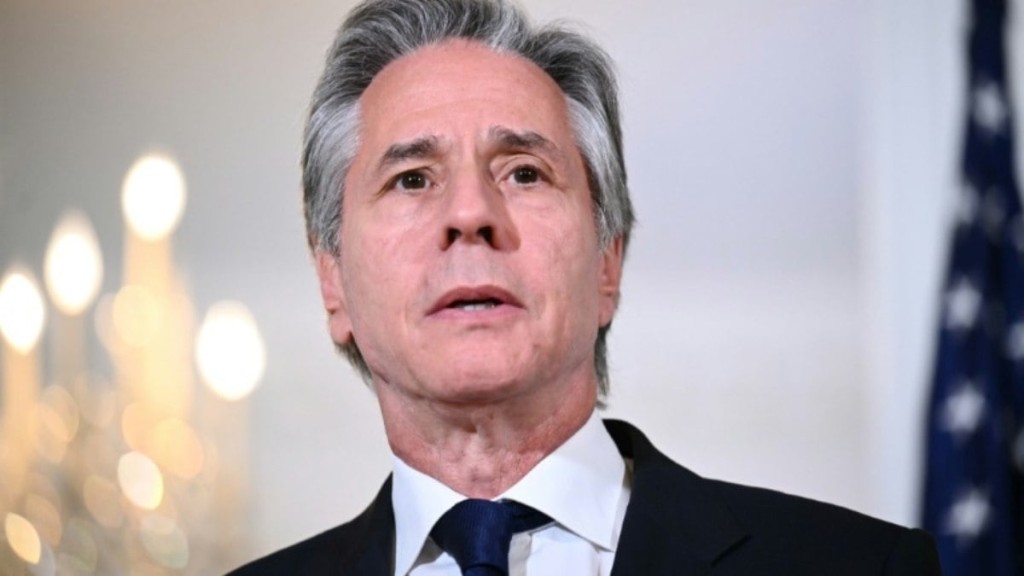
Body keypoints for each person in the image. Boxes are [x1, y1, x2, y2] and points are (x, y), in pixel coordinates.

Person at [229, 0, 942, 574]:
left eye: (524, 172)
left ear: (607, 260)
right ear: (333, 280)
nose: (471, 213)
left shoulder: (858, 566)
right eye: (412, 179)